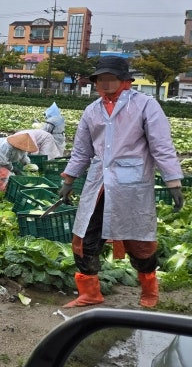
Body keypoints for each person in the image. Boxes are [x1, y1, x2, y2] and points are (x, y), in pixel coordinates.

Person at [58, 56, 184, 309]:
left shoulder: (145, 105)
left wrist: (173, 180)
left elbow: (161, 146)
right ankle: (90, 292)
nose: (105, 84)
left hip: (131, 186)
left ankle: (149, 292)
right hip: (98, 185)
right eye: (100, 79)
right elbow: (82, 151)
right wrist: (69, 179)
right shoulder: (92, 110)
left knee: (140, 242)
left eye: (110, 78)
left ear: (125, 81)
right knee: (83, 237)